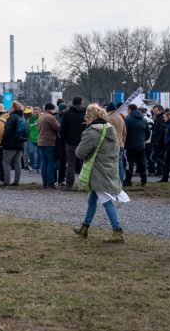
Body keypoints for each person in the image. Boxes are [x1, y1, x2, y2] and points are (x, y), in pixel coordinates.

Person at [72, 104, 128, 243]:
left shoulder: (93, 131)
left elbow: (79, 153)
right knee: (92, 199)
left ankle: (117, 232)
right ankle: (84, 227)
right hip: (108, 167)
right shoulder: (109, 127)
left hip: (98, 170)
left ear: (89, 116)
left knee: (106, 201)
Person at [60, 97, 87, 191]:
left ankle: (69, 185)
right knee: (83, 163)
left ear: (72, 102)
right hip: (83, 142)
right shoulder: (85, 113)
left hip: (70, 142)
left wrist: (63, 140)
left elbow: (62, 128)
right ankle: (84, 185)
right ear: (81, 102)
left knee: (71, 164)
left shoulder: (67, 113)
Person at [123, 104, 151, 187]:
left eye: (127, 109)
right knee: (141, 163)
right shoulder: (143, 119)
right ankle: (144, 180)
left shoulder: (128, 119)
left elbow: (125, 133)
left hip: (130, 146)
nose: (127, 111)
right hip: (141, 146)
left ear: (130, 110)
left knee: (129, 163)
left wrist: (125, 143)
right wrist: (142, 140)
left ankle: (128, 181)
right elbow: (148, 133)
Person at [1, 102, 26, 187]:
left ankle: (7, 181)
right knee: (17, 163)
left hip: (10, 143)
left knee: (6, 162)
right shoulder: (22, 116)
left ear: (14, 108)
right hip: (20, 142)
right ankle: (16, 182)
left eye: (11, 107)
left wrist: (2, 141)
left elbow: (7, 131)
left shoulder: (12, 117)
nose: (9, 109)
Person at [37, 103, 61, 189]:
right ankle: (50, 183)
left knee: (44, 163)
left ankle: (45, 183)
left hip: (41, 142)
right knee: (51, 163)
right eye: (54, 109)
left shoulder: (41, 116)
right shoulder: (50, 117)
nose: (54, 111)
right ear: (50, 109)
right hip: (49, 142)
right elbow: (59, 128)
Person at [105, 103, 127, 184]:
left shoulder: (107, 118)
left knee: (110, 164)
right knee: (120, 164)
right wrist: (123, 143)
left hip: (110, 144)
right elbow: (125, 132)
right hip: (120, 143)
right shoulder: (121, 118)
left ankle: (110, 182)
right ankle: (120, 181)